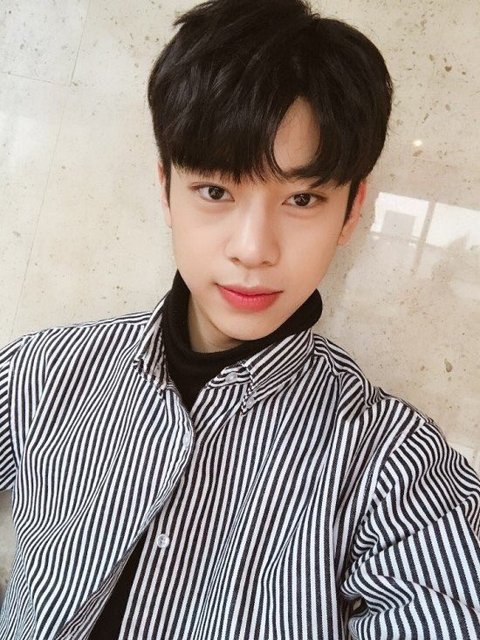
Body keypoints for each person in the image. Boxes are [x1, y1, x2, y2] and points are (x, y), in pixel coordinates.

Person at [1, 0, 479, 637]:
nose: (254, 249)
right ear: (166, 189)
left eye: (302, 198)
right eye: (215, 191)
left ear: (352, 209)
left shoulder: (392, 464)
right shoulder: (42, 372)